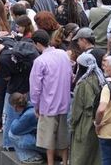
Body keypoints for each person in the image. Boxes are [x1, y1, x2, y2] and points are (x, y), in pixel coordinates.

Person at [28, 30, 71, 165]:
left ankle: (51, 163)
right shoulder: (63, 54)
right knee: (63, 137)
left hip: (47, 104)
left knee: (48, 140)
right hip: (65, 102)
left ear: (37, 44)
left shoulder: (40, 61)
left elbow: (35, 88)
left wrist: (36, 106)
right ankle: (65, 162)